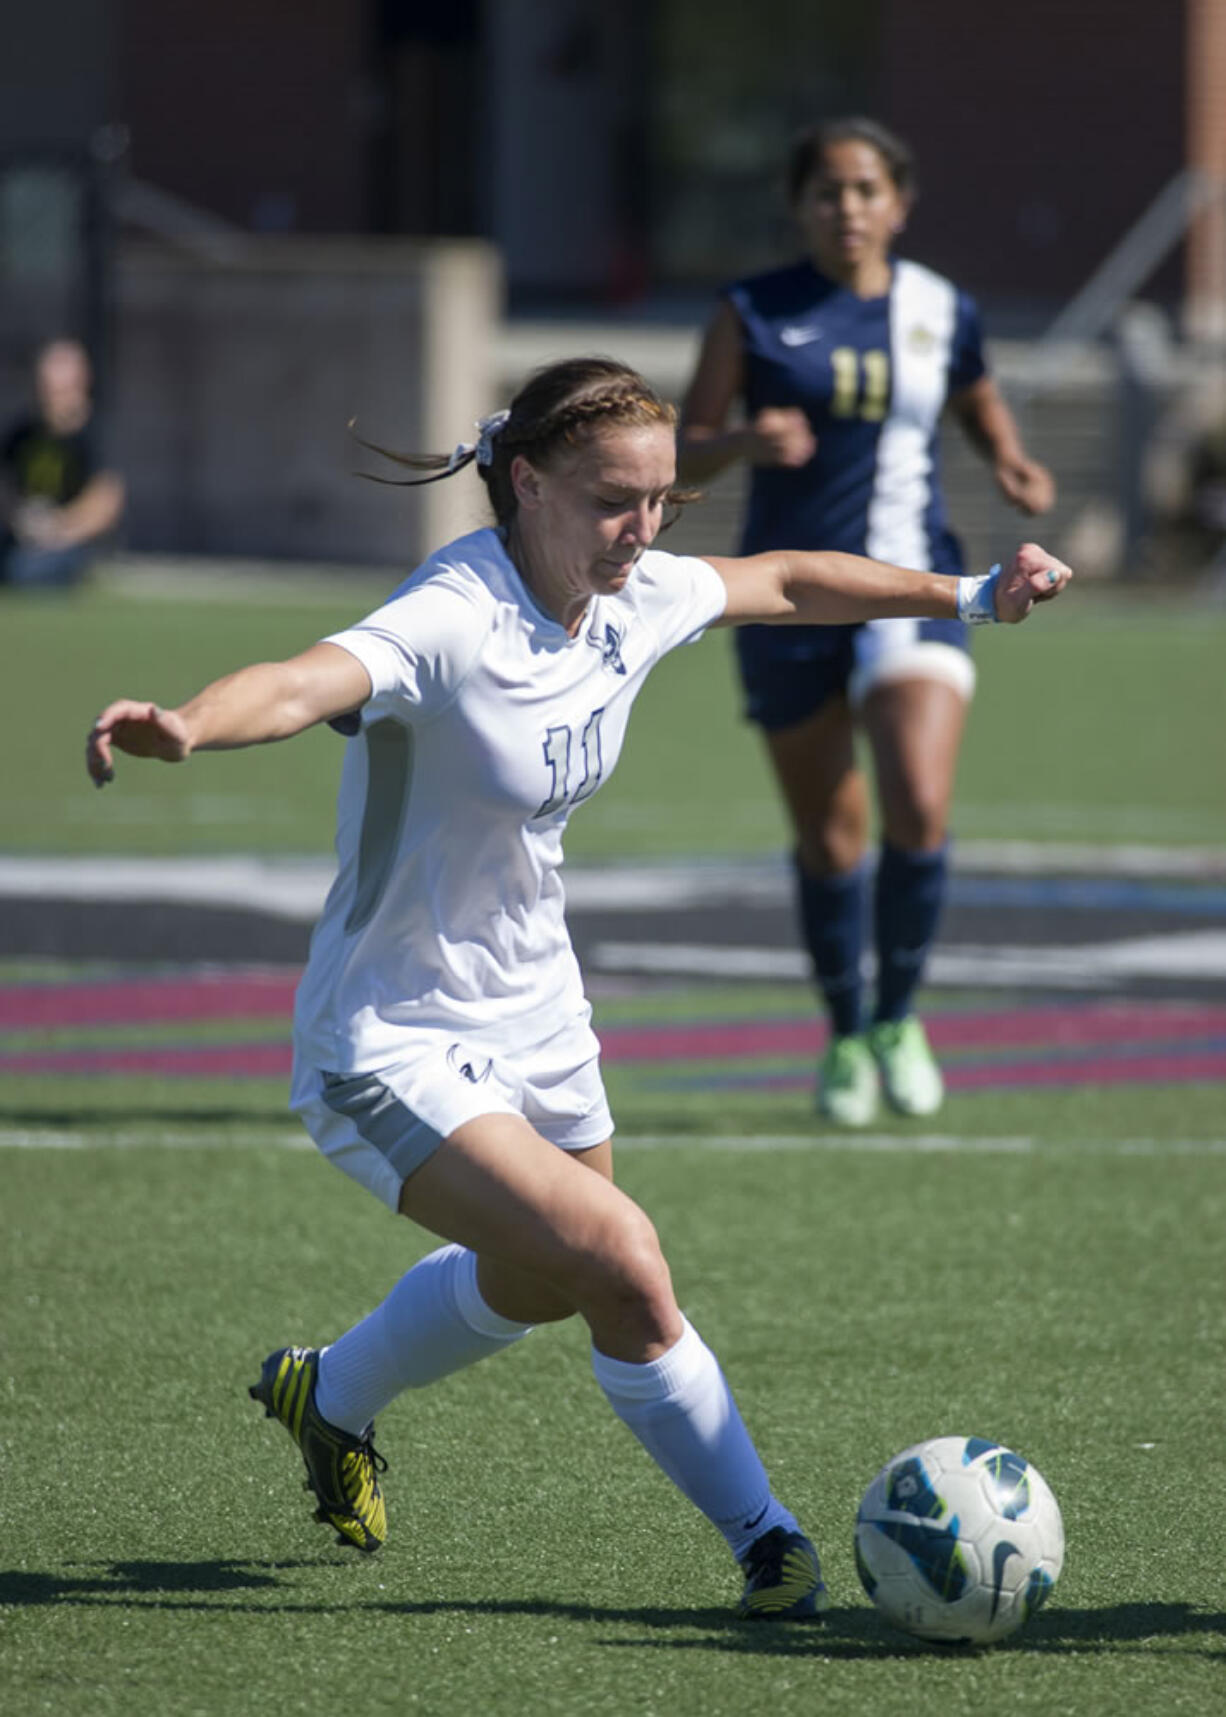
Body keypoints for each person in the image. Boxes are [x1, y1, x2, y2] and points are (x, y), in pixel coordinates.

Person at [85, 357, 1069, 1618]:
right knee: (620, 1258)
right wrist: (188, 723)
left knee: (551, 1280)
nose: (644, 530)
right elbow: (303, 680)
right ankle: (771, 1545)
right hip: (388, 1031)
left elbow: (779, 579)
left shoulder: (626, 592)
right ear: (526, 480)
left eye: (661, 501)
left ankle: (325, 1395)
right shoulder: (452, 611)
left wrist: (973, 592)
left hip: (535, 1001)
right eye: (616, 501)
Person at [678, 118, 1057, 1128]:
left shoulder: (939, 306)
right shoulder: (750, 310)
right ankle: (844, 1033)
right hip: (788, 597)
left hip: (915, 588)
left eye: (863, 190)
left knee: (918, 804)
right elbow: (679, 450)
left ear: (898, 202)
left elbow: (972, 395)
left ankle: (896, 1016)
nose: (845, 208)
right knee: (829, 836)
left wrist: (1009, 459)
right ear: (797, 205)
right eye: (825, 191)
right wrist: (741, 445)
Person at [1, 337, 125, 588]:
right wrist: (22, 520)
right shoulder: (23, 434)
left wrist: (58, 529)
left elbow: (105, 505)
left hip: (72, 543)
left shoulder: (95, 435)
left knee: (27, 571)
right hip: (24, 537)